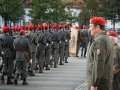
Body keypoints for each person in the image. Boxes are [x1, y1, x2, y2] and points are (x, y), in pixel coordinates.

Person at [86, 17, 114, 90]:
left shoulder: (100, 40)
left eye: (91, 26)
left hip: (99, 84)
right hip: (104, 80)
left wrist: (95, 84)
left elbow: (99, 63)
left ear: (97, 27)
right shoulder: (105, 38)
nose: (89, 29)